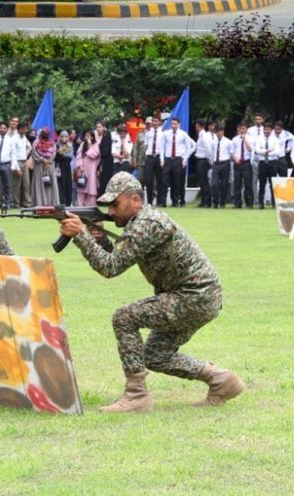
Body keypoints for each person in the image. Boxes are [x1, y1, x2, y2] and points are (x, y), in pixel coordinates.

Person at [59, 172, 241, 412]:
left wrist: (81, 235)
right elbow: (117, 255)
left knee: (124, 318)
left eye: (116, 204)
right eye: (109, 205)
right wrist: (100, 238)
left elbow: (110, 267)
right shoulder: (142, 221)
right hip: (198, 296)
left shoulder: (147, 224)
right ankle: (221, 381)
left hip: (194, 296)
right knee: (155, 355)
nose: (111, 211)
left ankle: (136, 397)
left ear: (135, 201)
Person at [25, 128, 60, 207]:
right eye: (44, 133)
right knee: (39, 184)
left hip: (49, 166)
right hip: (39, 166)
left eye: (47, 133)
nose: (45, 135)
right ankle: (39, 203)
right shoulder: (36, 142)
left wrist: (48, 162)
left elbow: (54, 153)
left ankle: (51, 203)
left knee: (50, 184)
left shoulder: (52, 143)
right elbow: (34, 153)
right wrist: (42, 160)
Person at [75, 126, 104, 209]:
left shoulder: (95, 145)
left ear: (92, 137)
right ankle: (80, 206)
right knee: (81, 187)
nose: (87, 137)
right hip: (82, 169)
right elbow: (78, 156)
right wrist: (80, 166)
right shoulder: (82, 144)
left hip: (92, 169)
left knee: (91, 188)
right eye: (86, 136)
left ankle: (91, 206)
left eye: (89, 136)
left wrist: (90, 145)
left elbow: (94, 155)